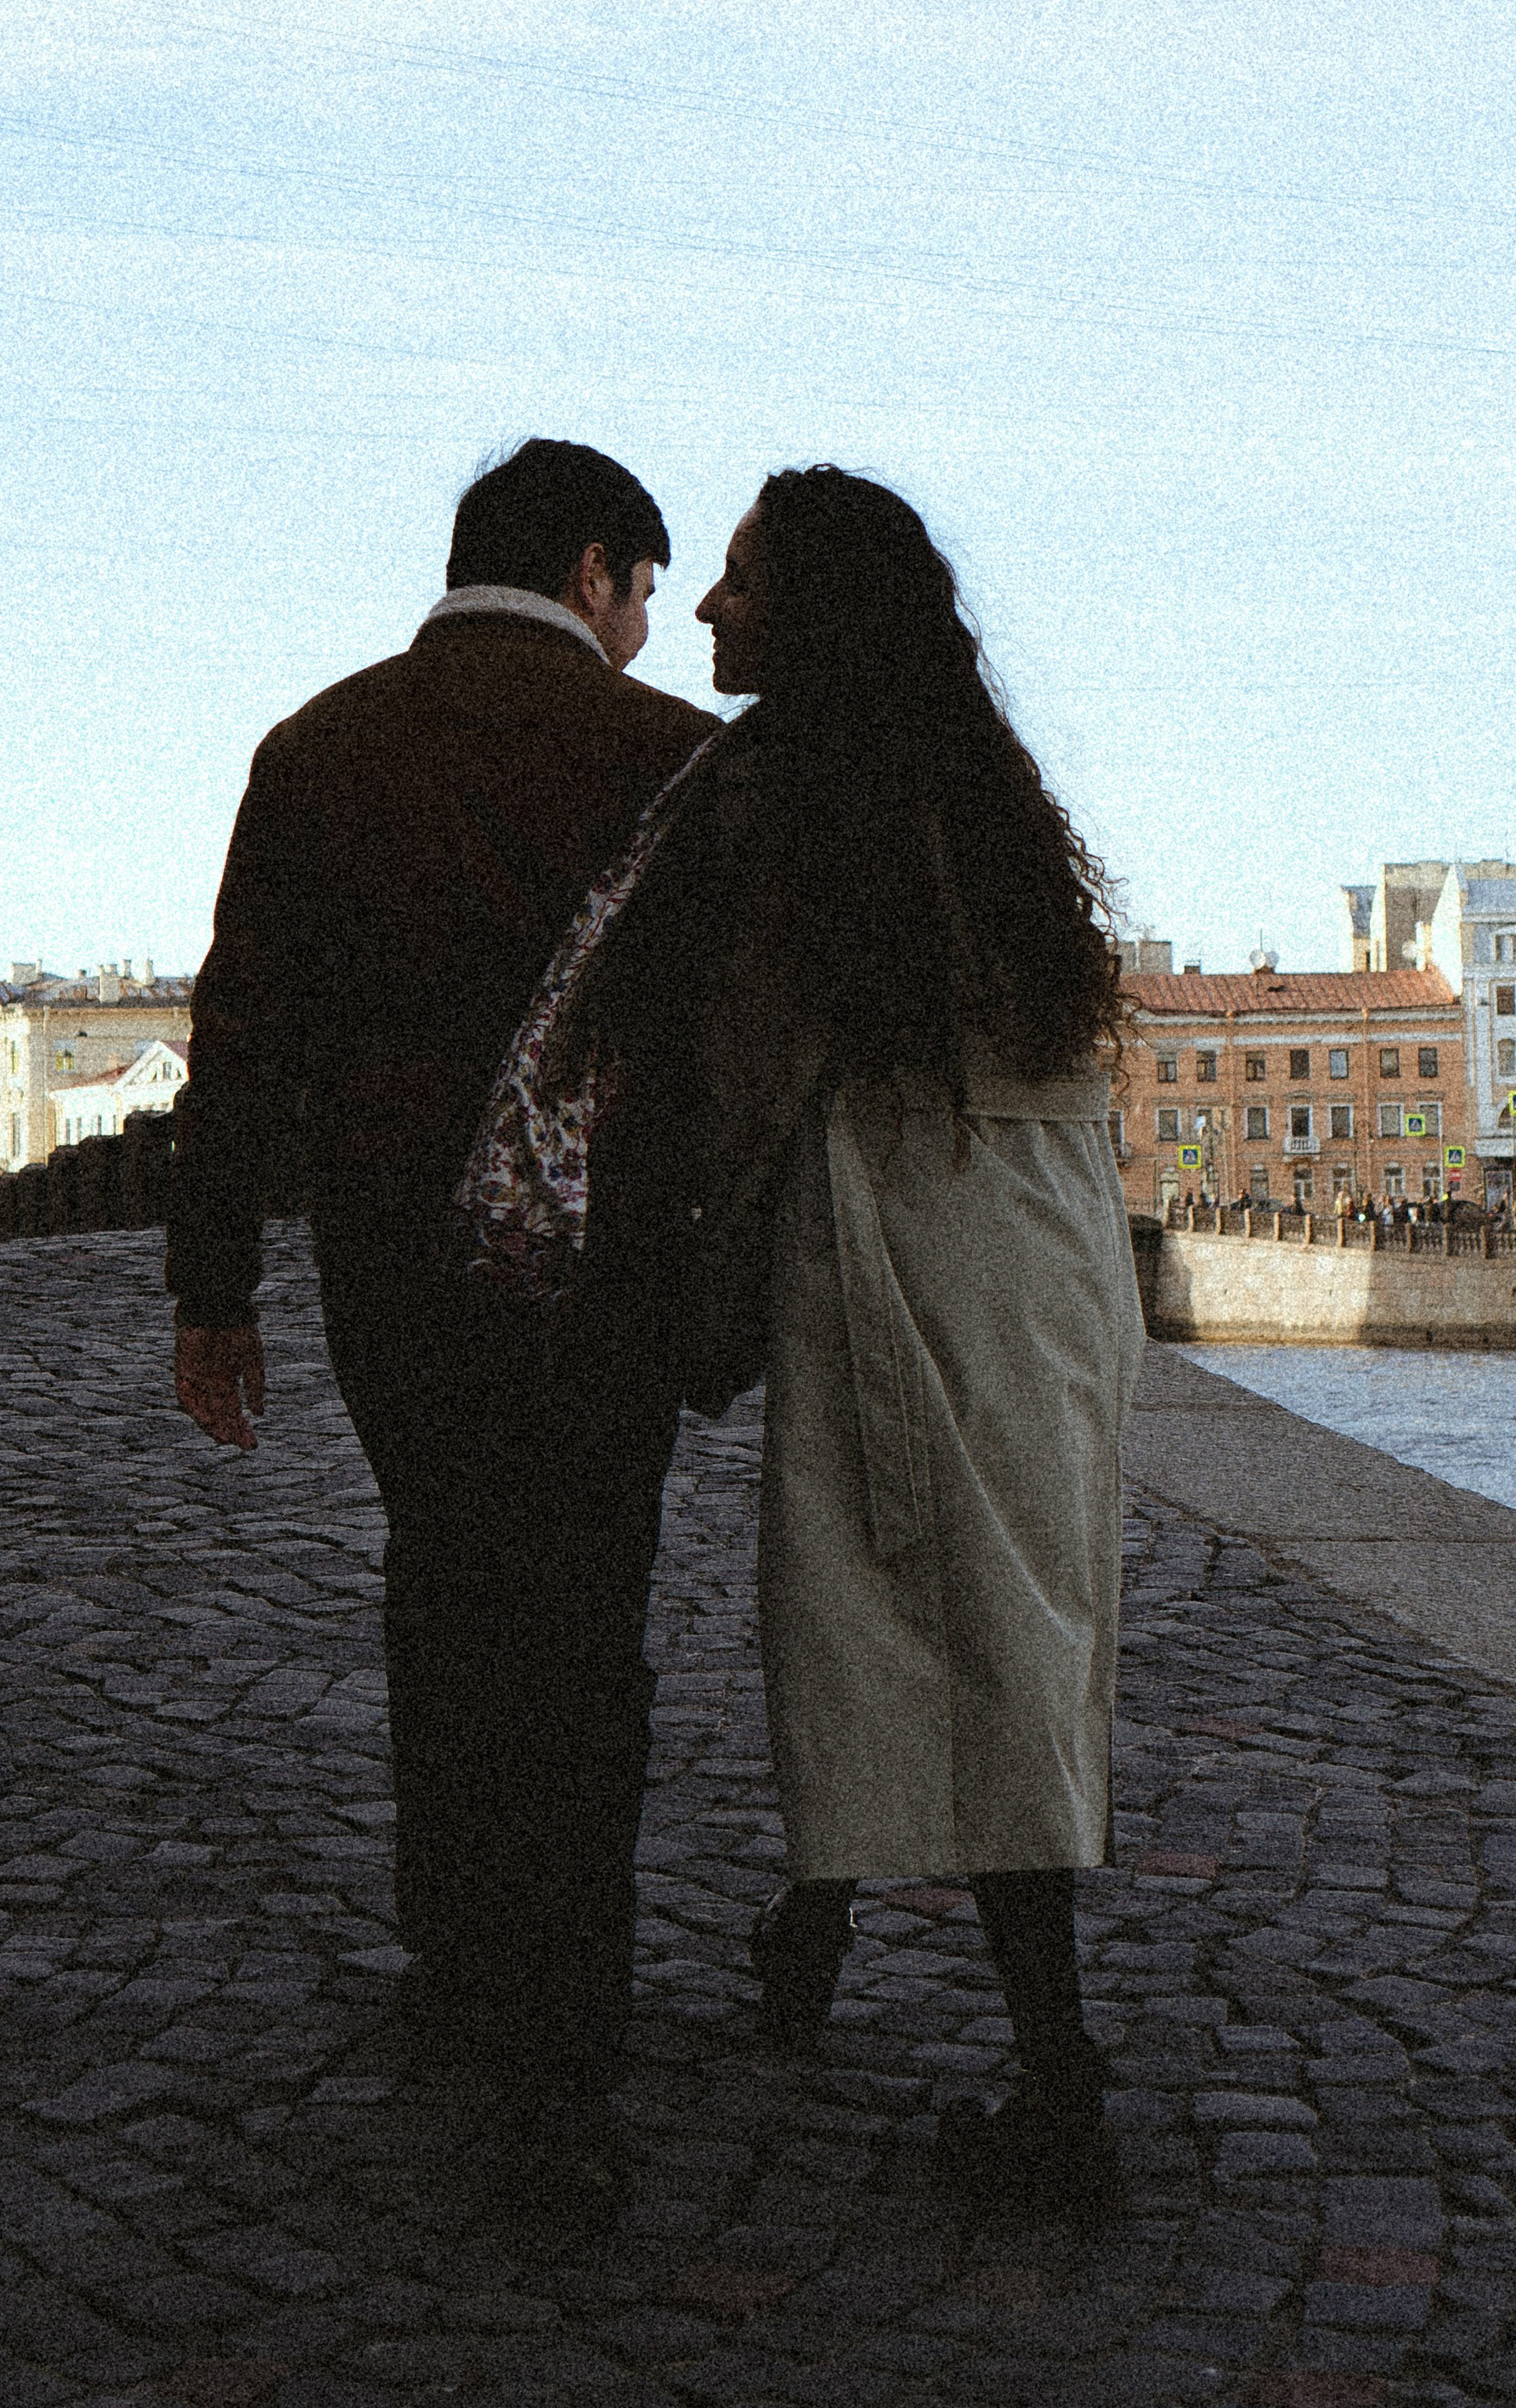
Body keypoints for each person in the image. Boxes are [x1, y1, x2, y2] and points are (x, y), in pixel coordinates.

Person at [460, 467, 1144, 2221]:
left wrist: (685, 1326)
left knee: (911, 1620)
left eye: (743, 586)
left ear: (811, 614)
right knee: (1002, 1616)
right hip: (1045, 1265)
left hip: (897, 1256)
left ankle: (1058, 2094)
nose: (704, 615)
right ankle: (827, 1911)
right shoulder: (971, 788)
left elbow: (738, 1084)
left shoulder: (773, 800)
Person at [165, 439, 712, 2192]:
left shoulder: (319, 747)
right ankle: (570, 2023)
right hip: (600, 1264)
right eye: (639, 593)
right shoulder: (667, 761)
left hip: (391, 1259)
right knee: (583, 1610)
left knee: (444, 1574)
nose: (643, 630)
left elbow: (241, 1035)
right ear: (590, 571)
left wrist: (211, 1289)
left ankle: (456, 1949)